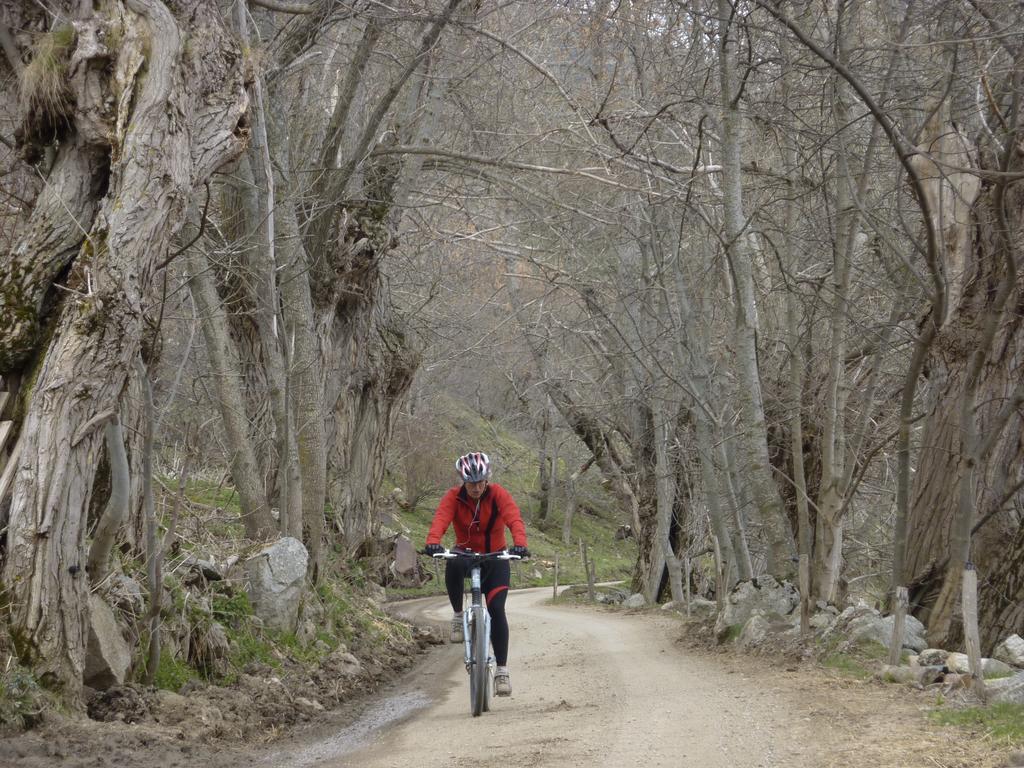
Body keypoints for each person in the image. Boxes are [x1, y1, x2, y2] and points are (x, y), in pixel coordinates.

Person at [424, 451, 529, 696]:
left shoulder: (498, 494)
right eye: (471, 482)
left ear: (487, 479)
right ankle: (459, 616)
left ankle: (502, 672)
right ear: (463, 480)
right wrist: (432, 541)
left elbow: (513, 518)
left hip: (496, 557)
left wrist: (520, 543)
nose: (476, 487)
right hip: (466, 554)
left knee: (497, 610)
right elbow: (441, 519)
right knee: (451, 562)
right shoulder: (453, 497)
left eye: (481, 481)